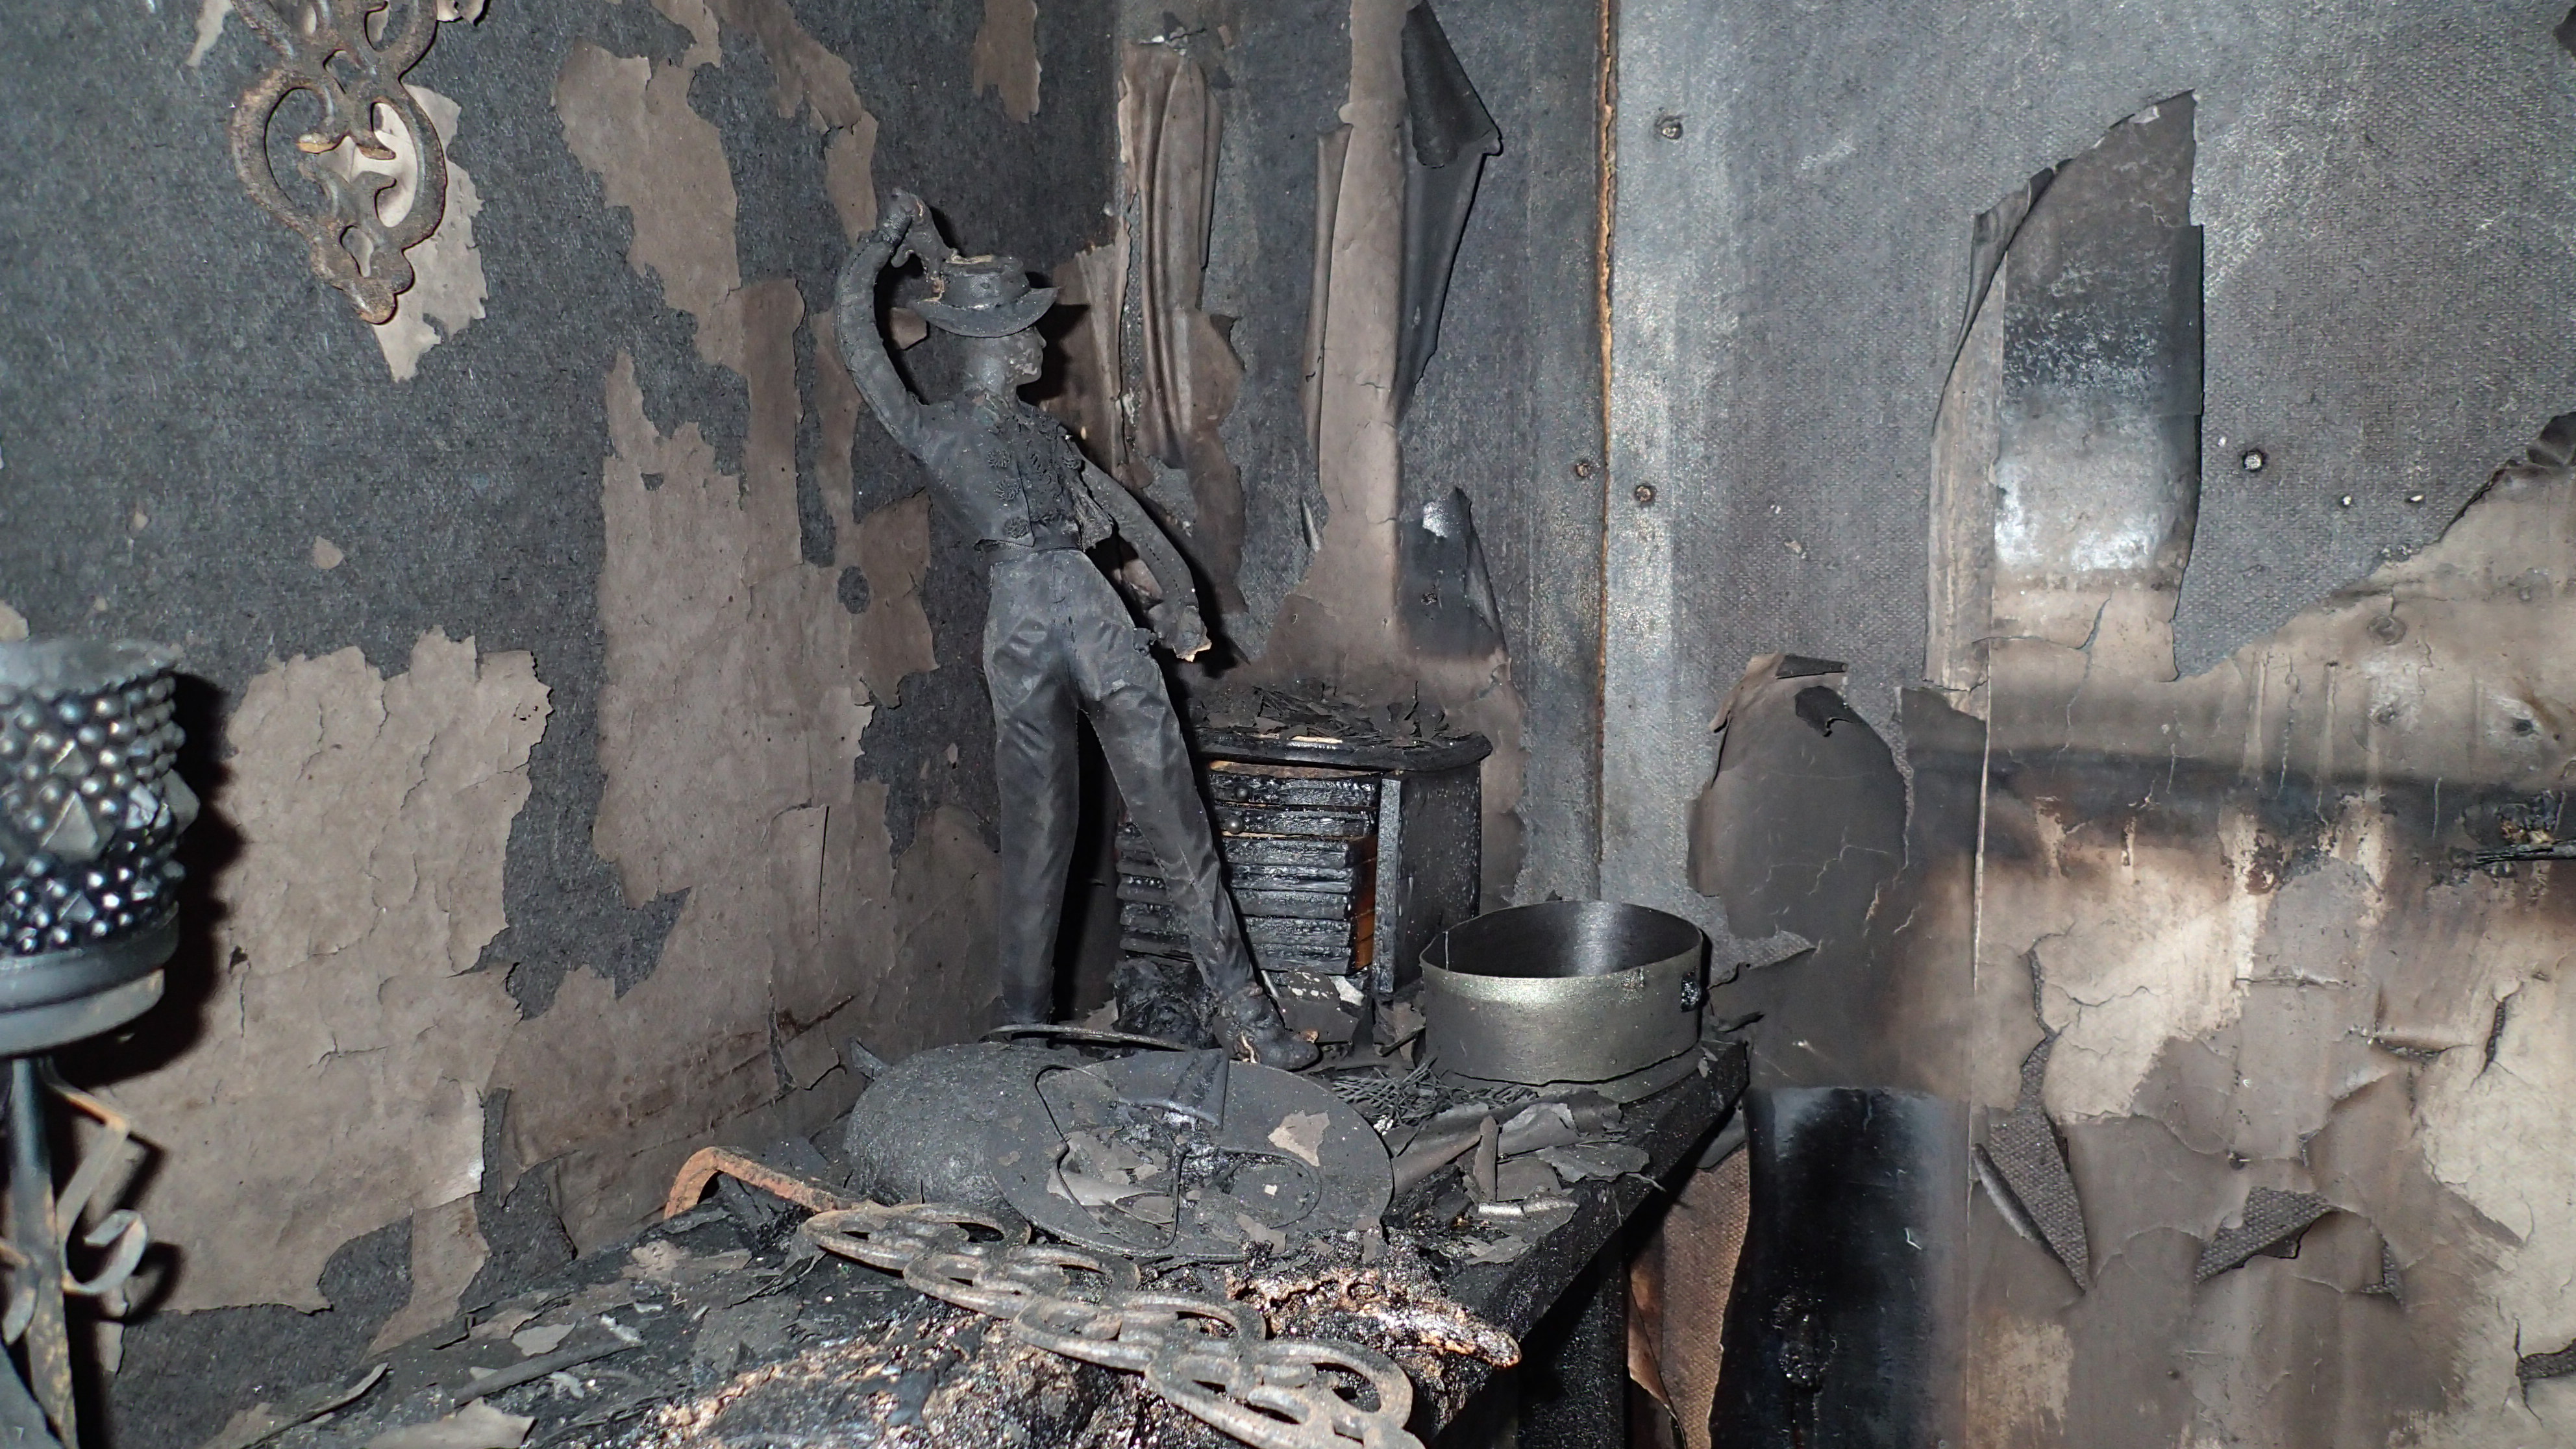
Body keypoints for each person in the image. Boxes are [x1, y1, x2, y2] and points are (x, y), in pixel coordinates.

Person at [834, 191, 1317, 1071]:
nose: (1039, 344)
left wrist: (1183, 606)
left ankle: (1246, 1008)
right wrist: (876, 246)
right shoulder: (936, 432)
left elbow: (1126, 513)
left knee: (1174, 806)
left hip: (1090, 605)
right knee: (1040, 827)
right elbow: (862, 347)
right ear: (985, 346)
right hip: (1018, 617)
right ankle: (1024, 1028)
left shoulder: (1047, 440)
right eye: (1023, 330)